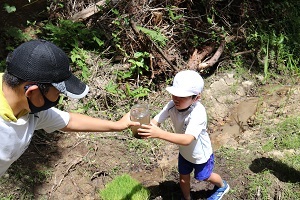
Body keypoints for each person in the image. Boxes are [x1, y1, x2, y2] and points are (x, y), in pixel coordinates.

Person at [0, 39, 139, 177]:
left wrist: (118, 125)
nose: (59, 98)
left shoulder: (28, 109)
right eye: (58, 93)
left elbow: (69, 120)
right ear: (32, 92)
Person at [137, 70, 230, 200]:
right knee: (183, 177)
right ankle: (187, 198)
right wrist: (143, 129)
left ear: (196, 97)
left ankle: (222, 186)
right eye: (174, 94)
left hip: (200, 155)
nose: (176, 98)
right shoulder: (171, 106)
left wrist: (159, 133)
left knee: (204, 176)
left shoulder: (198, 112)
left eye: (182, 96)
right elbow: (155, 122)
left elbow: (187, 139)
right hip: (184, 153)